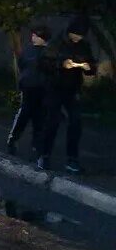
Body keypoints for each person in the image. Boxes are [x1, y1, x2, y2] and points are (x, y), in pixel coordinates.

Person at [37, 14, 97, 174]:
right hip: (55, 87)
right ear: (70, 31)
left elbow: (92, 66)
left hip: (73, 88)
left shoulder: (84, 45)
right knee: (52, 121)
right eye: (76, 34)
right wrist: (61, 64)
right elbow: (43, 63)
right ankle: (44, 154)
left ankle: (72, 159)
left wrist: (88, 67)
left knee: (76, 122)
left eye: (81, 35)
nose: (78, 38)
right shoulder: (57, 43)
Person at [7, 24, 52, 157]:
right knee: (27, 114)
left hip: (39, 88)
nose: (33, 36)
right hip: (31, 87)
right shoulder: (31, 51)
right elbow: (22, 65)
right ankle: (15, 140)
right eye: (33, 34)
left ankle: (34, 145)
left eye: (36, 35)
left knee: (37, 116)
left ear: (42, 38)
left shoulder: (45, 52)